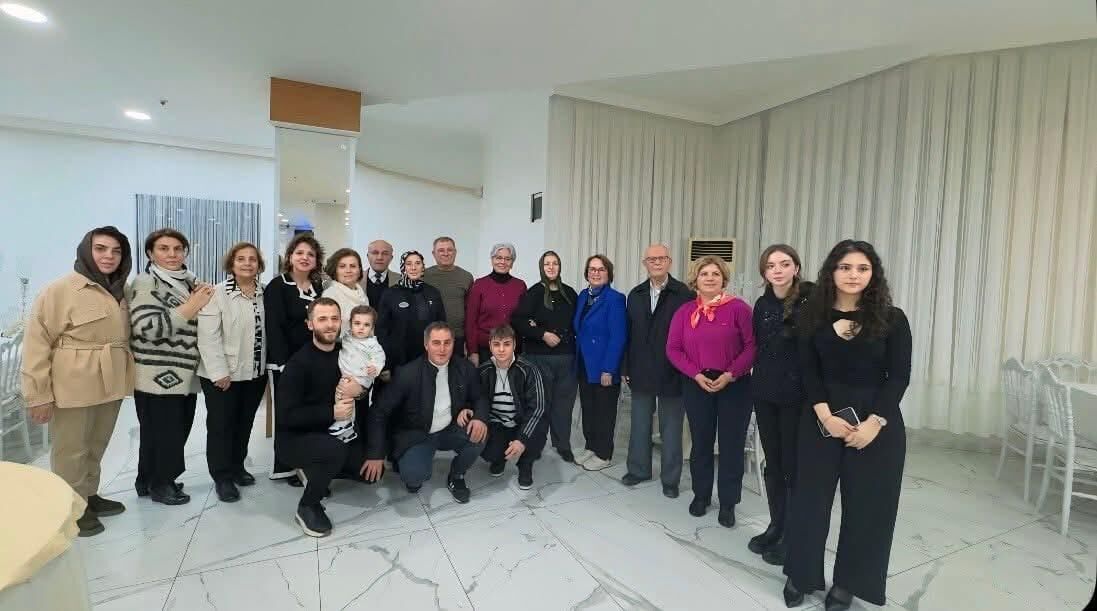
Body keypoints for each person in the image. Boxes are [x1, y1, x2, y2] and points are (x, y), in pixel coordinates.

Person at [782, 240, 911, 611]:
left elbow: (898, 377)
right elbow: (808, 372)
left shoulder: (893, 319)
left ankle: (849, 583)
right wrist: (825, 415)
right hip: (820, 415)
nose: (853, 275)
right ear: (831, 272)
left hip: (876, 420)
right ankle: (801, 573)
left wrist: (875, 422)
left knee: (869, 507)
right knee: (809, 501)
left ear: (873, 274)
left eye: (862, 268)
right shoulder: (812, 315)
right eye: (845, 267)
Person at [22, 226, 135, 537]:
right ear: (87, 250)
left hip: (111, 382)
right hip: (73, 383)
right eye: (101, 249)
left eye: (116, 251)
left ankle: (89, 495)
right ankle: (71, 508)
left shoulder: (121, 290)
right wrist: (38, 395)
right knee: (71, 449)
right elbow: (36, 345)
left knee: (97, 443)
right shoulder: (60, 290)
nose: (109, 256)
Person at [666, 255, 755, 528]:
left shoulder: (739, 309)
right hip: (697, 384)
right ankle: (701, 495)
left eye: (715, 273)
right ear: (696, 279)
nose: (710, 278)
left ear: (723, 279)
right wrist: (695, 374)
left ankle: (728, 502)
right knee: (701, 443)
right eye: (704, 273)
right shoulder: (684, 312)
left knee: (731, 445)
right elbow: (673, 349)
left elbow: (752, 346)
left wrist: (730, 374)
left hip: (734, 384)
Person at [129, 228, 214, 506]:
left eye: (178, 249)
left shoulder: (190, 283)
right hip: (156, 375)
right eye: (164, 249)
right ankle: (161, 484)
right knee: (165, 434)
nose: (172, 254)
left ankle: (147, 480)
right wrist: (191, 307)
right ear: (150, 253)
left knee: (170, 431)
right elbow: (147, 327)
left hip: (184, 375)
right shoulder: (146, 283)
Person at [274, 298, 372, 538]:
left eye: (334, 318)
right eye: (322, 319)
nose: (330, 325)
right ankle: (308, 505)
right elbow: (286, 416)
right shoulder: (298, 364)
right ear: (310, 324)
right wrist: (331, 412)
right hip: (296, 439)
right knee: (334, 451)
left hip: (334, 431)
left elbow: (362, 388)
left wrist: (360, 390)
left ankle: (316, 471)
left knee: (367, 472)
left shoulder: (346, 354)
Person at [362, 323, 486, 504]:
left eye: (447, 343)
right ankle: (412, 463)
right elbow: (378, 412)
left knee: (480, 435)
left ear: (454, 343)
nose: (442, 349)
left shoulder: (465, 367)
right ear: (426, 345)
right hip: (418, 434)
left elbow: (479, 396)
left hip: (450, 428)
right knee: (413, 478)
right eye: (436, 343)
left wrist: (479, 417)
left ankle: (457, 475)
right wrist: (376, 453)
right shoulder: (407, 374)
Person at [749, 244, 813, 564]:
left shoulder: (809, 301)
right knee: (772, 464)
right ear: (764, 272)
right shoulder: (762, 304)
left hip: (795, 396)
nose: (777, 270)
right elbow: (759, 346)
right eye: (771, 265)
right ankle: (776, 525)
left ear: (796, 268)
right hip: (765, 393)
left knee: (792, 467)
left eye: (784, 264)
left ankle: (792, 534)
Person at [621, 244, 694, 498]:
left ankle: (670, 480)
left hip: (672, 370)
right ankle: (638, 470)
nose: (656, 262)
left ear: (669, 262)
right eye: (651, 259)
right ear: (645, 264)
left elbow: (689, 335)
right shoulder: (636, 294)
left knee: (671, 429)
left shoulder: (684, 294)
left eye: (661, 258)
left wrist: (686, 368)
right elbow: (629, 334)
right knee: (639, 424)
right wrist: (625, 366)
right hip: (640, 369)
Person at [197, 242, 268, 503]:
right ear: (231, 264)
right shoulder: (217, 293)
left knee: (244, 422)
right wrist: (219, 372)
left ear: (259, 265)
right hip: (223, 375)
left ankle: (237, 466)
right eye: (241, 259)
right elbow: (208, 336)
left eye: (252, 259)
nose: (247, 263)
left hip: (254, 372)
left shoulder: (264, 292)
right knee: (221, 426)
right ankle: (222, 476)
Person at [265, 233, 325, 484]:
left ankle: (305, 462)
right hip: (285, 365)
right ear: (290, 257)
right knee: (287, 416)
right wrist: (284, 364)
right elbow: (274, 327)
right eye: (299, 253)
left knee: (307, 415)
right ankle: (286, 467)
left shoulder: (317, 287)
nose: (305, 258)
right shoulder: (277, 286)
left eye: (310, 254)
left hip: (311, 363)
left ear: (317, 261)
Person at [510, 250, 579, 462]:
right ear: (542, 267)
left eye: (554, 263)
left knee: (563, 405)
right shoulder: (534, 293)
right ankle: (536, 445)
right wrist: (542, 333)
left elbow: (577, 323)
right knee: (541, 404)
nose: (551, 267)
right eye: (547, 263)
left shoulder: (570, 293)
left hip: (566, 357)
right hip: (539, 357)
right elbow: (518, 320)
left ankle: (562, 444)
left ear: (559, 266)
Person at [572, 254, 627, 472]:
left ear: (609, 273)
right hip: (584, 362)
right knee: (588, 408)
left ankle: (604, 454)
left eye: (601, 269)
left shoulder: (615, 299)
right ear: (587, 273)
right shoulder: (583, 296)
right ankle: (591, 446)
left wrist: (609, 369)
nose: (596, 273)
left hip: (604, 365)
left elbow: (618, 336)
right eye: (592, 269)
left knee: (604, 411)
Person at [476, 325, 547, 490]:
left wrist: (522, 439)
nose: (501, 350)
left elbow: (538, 407)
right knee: (488, 449)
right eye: (496, 344)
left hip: (521, 422)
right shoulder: (483, 371)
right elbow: (476, 402)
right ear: (490, 346)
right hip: (497, 423)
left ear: (514, 345)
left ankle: (525, 465)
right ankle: (498, 458)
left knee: (537, 431)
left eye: (506, 344)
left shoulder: (529, 370)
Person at [376, 250, 447, 369]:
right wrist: (386, 362)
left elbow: (442, 325)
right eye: (409, 264)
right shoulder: (390, 294)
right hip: (399, 359)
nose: (413, 268)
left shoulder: (433, 292)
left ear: (423, 267)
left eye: (418, 263)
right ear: (403, 267)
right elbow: (381, 330)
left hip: (428, 357)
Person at [465, 243, 526, 365]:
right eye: (498, 258)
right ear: (492, 260)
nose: (502, 262)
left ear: (512, 262)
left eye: (507, 259)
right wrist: (473, 351)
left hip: (512, 350)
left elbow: (524, 318)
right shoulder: (479, 285)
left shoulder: (520, 286)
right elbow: (470, 322)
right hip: (485, 350)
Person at [331, 305, 385, 443]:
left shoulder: (372, 344)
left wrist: (376, 368)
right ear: (350, 324)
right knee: (342, 396)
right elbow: (338, 341)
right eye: (357, 323)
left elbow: (379, 358)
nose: (361, 328)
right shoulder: (347, 337)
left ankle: (345, 422)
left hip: (360, 377)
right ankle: (348, 431)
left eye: (366, 325)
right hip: (348, 374)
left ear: (372, 328)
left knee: (343, 394)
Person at [423, 236, 474, 355]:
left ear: (455, 252)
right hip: (432, 337)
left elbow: (470, 311)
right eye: (441, 250)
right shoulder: (424, 276)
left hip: (458, 337)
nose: (446, 254)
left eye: (449, 250)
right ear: (433, 254)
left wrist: (469, 342)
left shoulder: (466, 277)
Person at [322, 248, 369, 327]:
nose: (348, 270)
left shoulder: (362, 294)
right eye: (342, 266)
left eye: (353, 266)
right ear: (335, 270)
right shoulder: (330, 295)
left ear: (359, 270)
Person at [360, 239, 398, 307]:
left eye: (385, 253)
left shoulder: (401, 281)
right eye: (375, 253)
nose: (379, 257)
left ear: (391, 258)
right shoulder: (356, 279)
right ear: (368, 256)